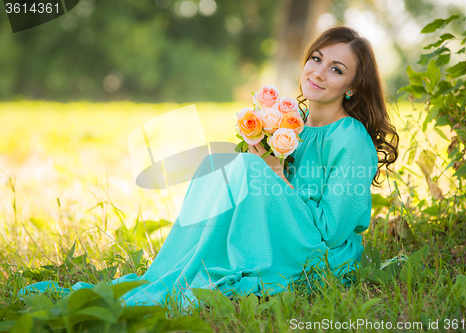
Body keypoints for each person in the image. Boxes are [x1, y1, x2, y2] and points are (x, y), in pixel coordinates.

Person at [21, 26, 398, 310]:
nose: (318, 72)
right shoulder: (294, 120)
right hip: (283, 227)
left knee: (249, 170)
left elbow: (332, 231)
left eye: (336, 69)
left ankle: (212, 266)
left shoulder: (349, 139)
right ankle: (177, 267)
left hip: (322, 252)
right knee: (218, 164)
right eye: (316, 59)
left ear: (351, 86)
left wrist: (273, 173)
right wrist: (261, 159)